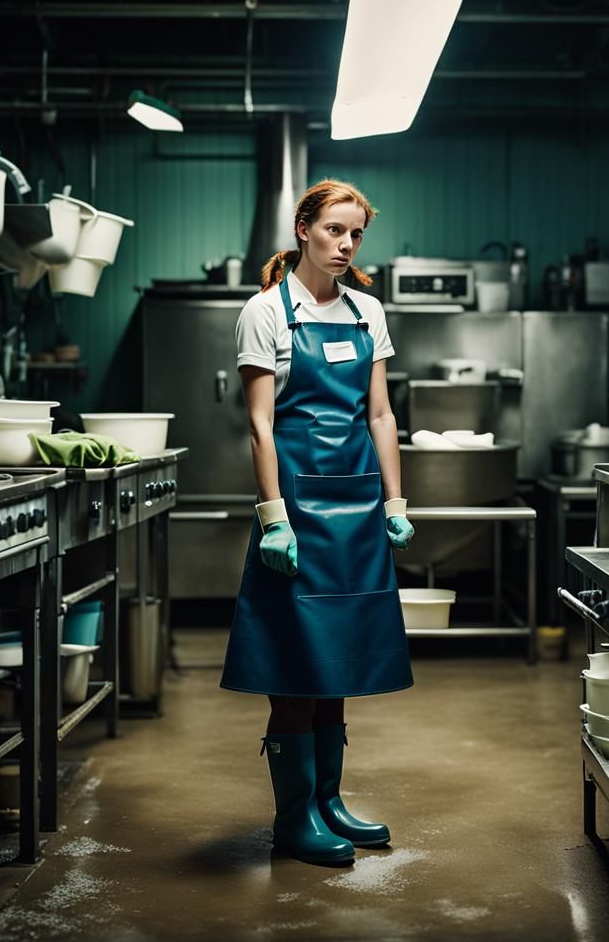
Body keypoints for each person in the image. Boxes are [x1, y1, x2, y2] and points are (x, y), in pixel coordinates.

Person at [220, 178, 415, 867]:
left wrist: (394, 502)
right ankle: (293, 818)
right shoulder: (265, 312)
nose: (346, 244)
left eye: (356, 233)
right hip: (298, 514)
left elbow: (381, 416)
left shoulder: (367, 311)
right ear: (304, 229)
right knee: (296, 668)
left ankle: (328, 802)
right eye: (334, 230)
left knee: (339, 664)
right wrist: (273, 515)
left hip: (357, 512)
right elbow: (260, 424)